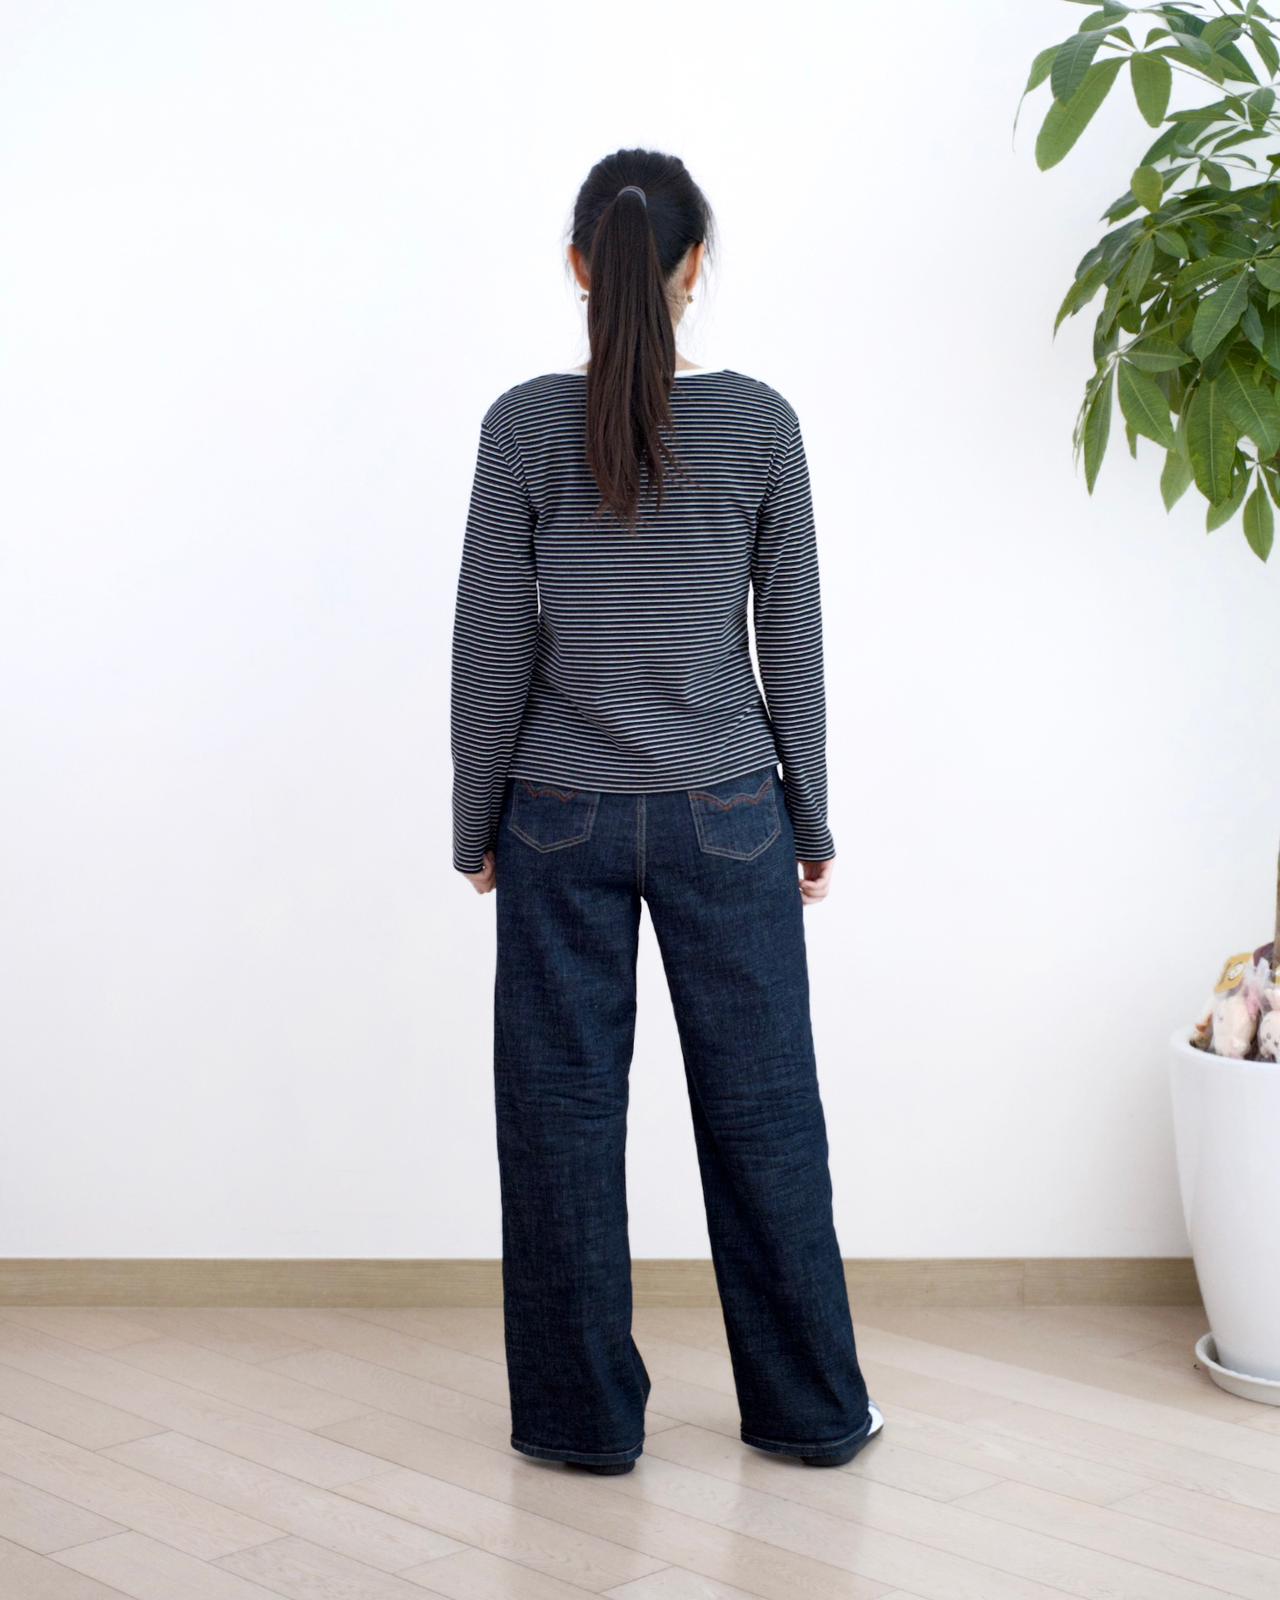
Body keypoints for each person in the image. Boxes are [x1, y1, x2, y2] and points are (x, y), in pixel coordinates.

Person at [449, 146, 882, 1475]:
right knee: (765, 1115)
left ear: (580, 266)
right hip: (727, 813)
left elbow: (492, 636)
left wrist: (477, 814)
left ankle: (579, 1424)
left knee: (560, 1121)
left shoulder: (523, 424)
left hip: (559, 813)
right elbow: (789, 634)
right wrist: (809, 814)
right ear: (697, 266)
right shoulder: (761, 423)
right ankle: (810, 1412)